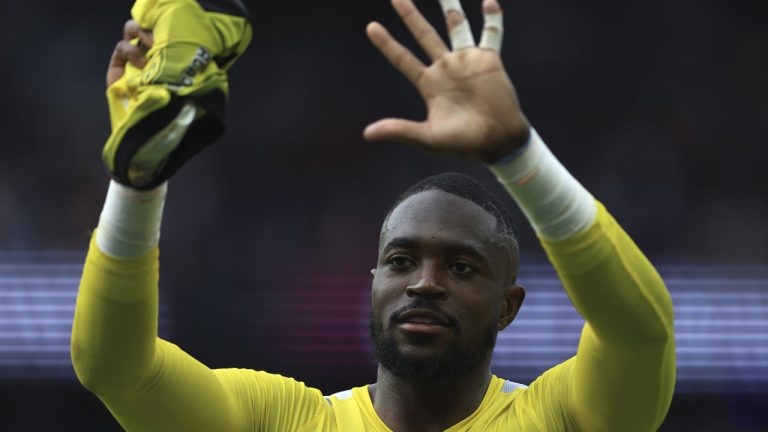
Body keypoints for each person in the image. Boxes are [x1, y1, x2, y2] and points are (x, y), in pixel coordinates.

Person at [71, 0, 676, 430]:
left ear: (508, 305)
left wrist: (519, 155)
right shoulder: (286, 421)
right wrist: (137, 181)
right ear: (375, 285)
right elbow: (117, 369)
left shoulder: (558, 418)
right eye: (401, 260)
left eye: (462, 268)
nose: (425, 282)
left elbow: (641, 331)